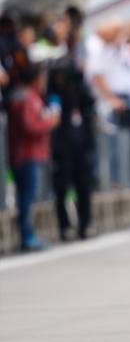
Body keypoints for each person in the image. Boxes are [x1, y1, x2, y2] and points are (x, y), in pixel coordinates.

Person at [48, 8, 96, 241]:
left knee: (83, 181)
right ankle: (64, 225)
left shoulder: (81, 56)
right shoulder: (51, 57)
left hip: (80, 130)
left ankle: (85, 223)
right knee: (61, 182)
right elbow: (51, 90)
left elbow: (88, 92)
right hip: (62, 131)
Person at [7, 64, 60, 251]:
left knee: (28, 196)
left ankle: (28, 234)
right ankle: (26, 235)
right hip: (26, 154)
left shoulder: (27, 96)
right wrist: (49, 123)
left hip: (28, 154)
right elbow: (29, 126)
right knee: (26, 197)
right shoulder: (26, 97)